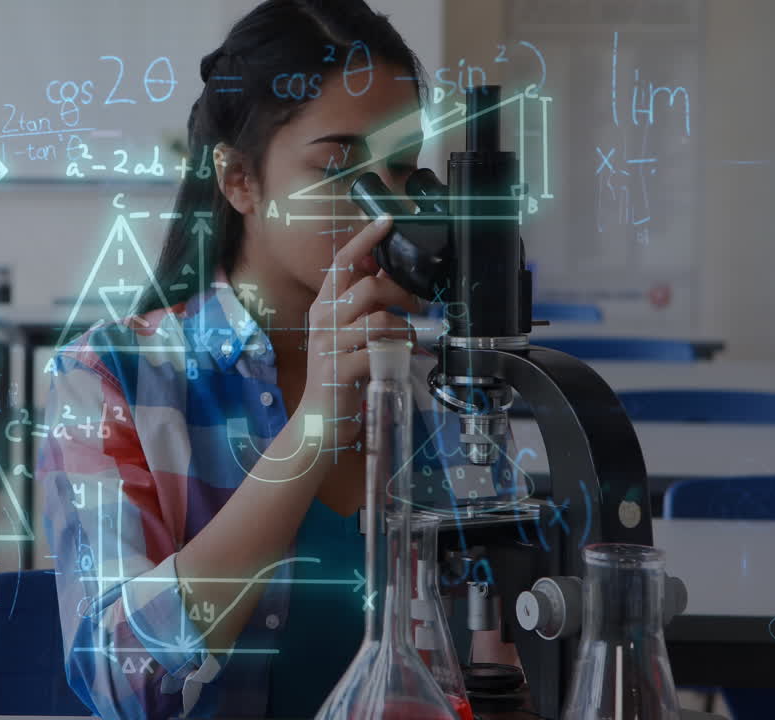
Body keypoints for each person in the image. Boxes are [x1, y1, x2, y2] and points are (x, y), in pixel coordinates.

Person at [38, 1, 513, 717]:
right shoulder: (109, 380)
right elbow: (124, 683)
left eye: (401, 170)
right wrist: (313, 426)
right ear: (239, 179)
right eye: (340, 169)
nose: (385, 209)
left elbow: (497, 660)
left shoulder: (437, 385)